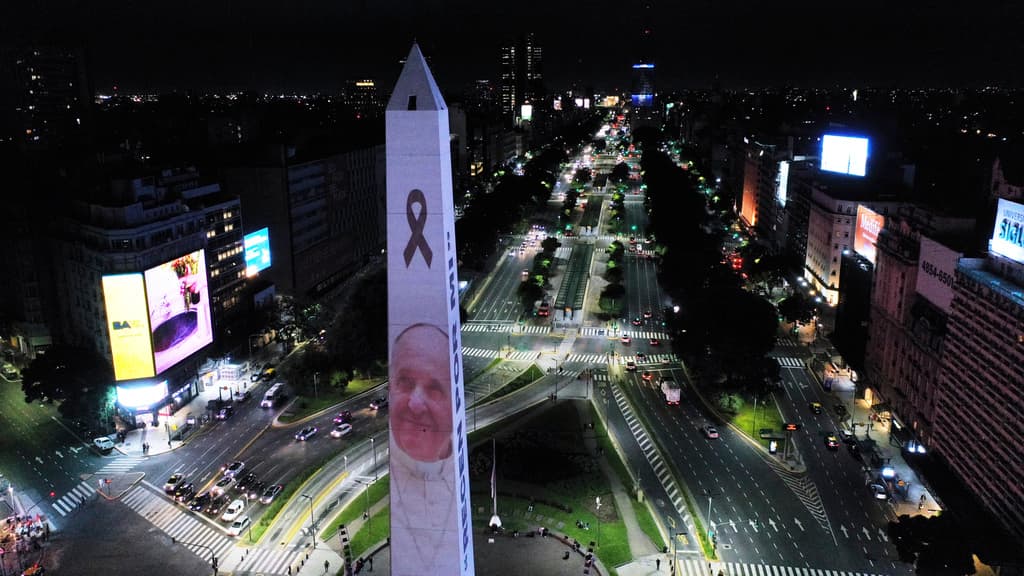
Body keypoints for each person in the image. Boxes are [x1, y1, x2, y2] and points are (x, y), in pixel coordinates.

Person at [389, 323, 461, 575]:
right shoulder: (384, 479)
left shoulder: (461, 472)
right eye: (405, 382)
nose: (416, 403)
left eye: (435, 389)